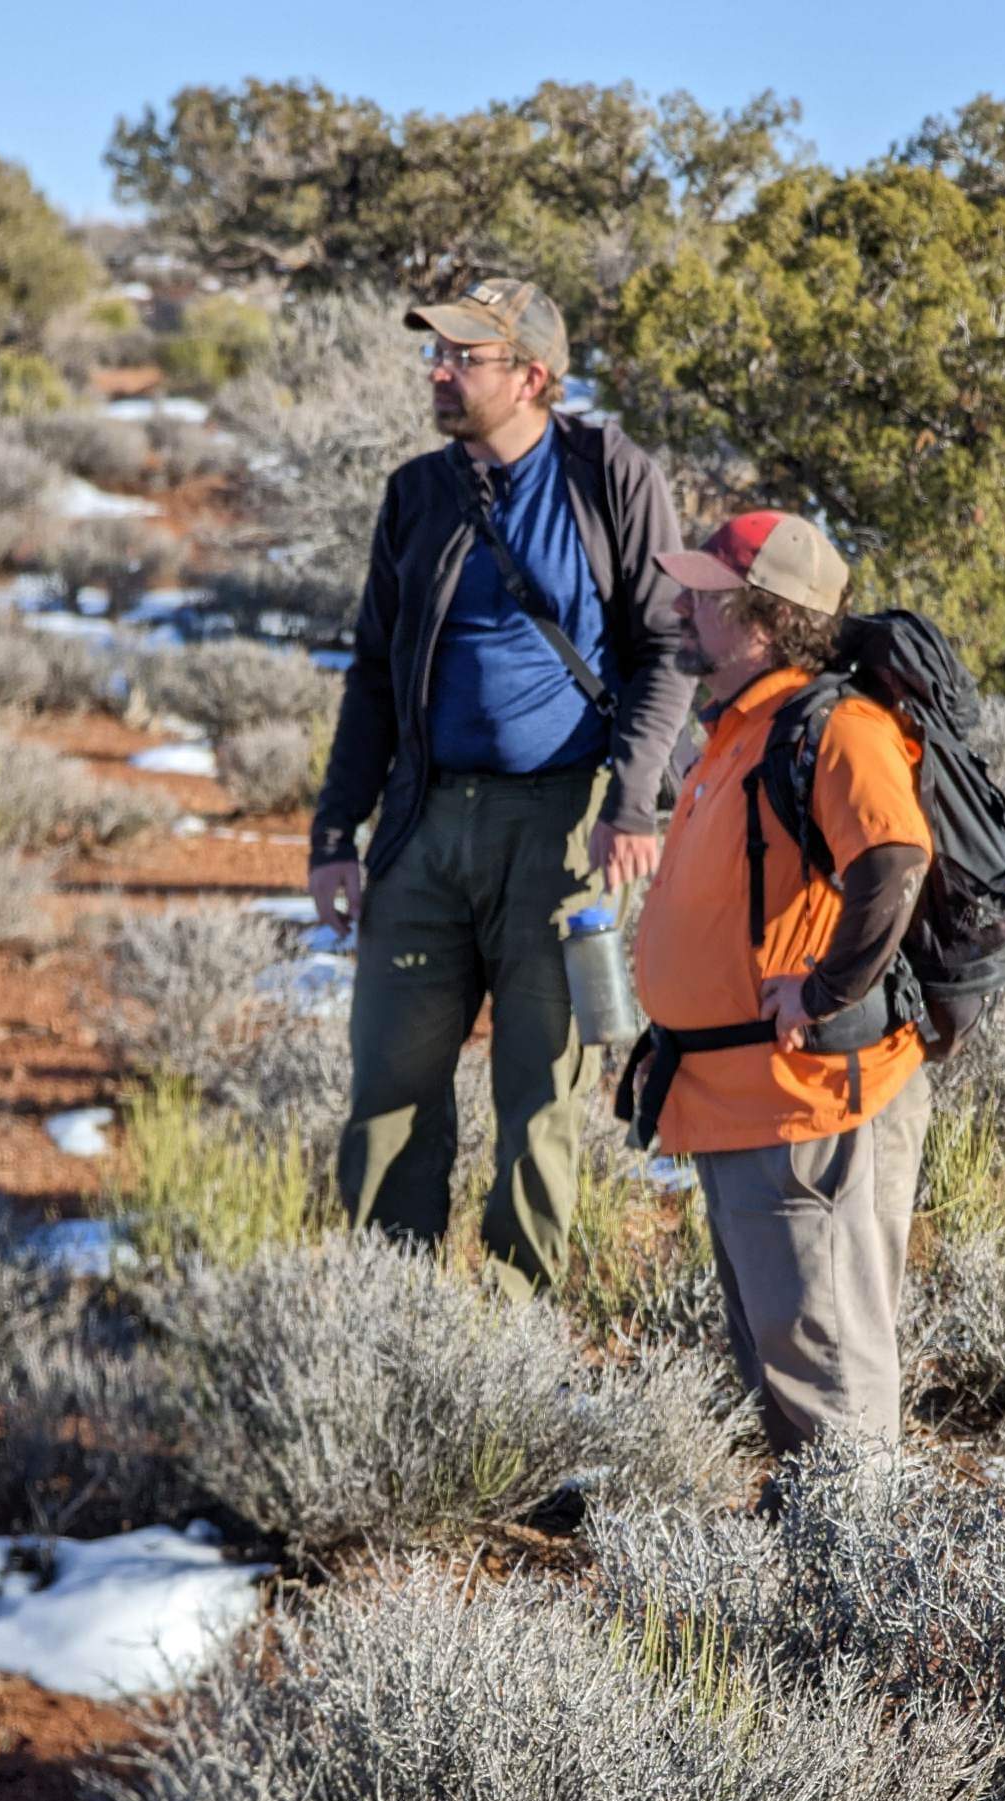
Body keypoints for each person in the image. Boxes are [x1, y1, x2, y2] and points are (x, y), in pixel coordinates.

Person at [308, 276, 690, 1298]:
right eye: (435, 355)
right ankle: (392, 1315)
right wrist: (335, 834)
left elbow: (666, 650)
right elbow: (374, 677)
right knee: (390, 1083)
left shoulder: (611, 474)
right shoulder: (417, 493)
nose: (438, 372)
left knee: (542, 1092)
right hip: (424, 826)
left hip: (564, 828)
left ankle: (516, 1332)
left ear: (532, 376)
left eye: (461, 357)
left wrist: (634, 801)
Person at [629, 511, 933, 1459]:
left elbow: (895, 861)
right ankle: (820, 1556)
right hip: (739, 1104)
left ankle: (860, 1575)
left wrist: (826, 991)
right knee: (784, 1363)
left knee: (831, 1372)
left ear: (763, 616)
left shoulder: (836, 729)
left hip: (807, 1110)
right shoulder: (740, 729)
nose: (681, 604)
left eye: (705, 595)